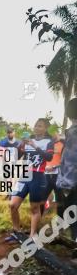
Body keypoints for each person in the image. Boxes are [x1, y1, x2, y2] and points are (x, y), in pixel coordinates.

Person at [6, 119, 54, 240]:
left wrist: (35, 146)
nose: (37, 128)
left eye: (40, 126)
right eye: (36, 125)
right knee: (12, 205)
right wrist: (21, 145)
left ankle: (33, 236)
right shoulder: (28, 140)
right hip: (24, 176)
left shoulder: (49, 142)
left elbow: (49, 157)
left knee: (34, 208)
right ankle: (17, 233)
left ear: (45, 128)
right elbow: (17, 157)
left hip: (38, 177)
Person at [57, 98, 77, 244]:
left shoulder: (73, 133)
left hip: (71, 181)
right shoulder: (70, 132)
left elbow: (70, 160)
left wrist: (66, 183)